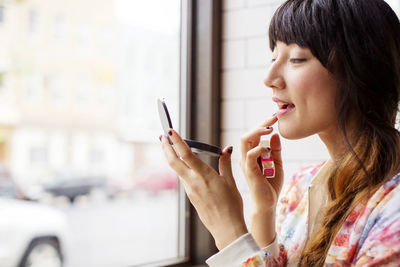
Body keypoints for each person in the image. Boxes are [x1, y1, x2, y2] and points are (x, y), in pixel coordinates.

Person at [160, 0, 400, 266]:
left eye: (296, 58)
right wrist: (263, 211)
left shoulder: (394, 209)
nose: (269, 77)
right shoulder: (299, 188)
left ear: (360, 68)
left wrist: (227, 231)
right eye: (274, 57)